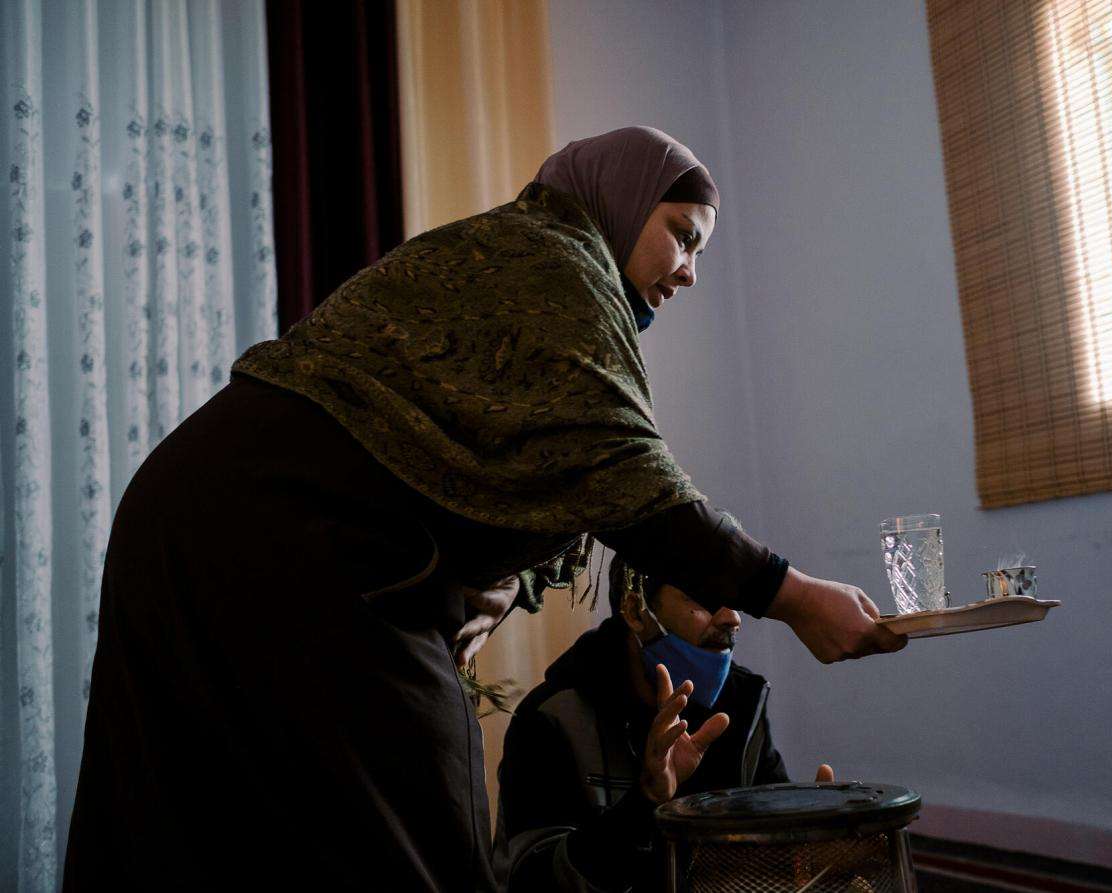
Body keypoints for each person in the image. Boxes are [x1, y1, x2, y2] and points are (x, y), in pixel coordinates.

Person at [63, 126, 906, 891]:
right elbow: (632, 481)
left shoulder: (514, 258)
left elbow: (480, 452)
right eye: (682, 236)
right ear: (616, 199)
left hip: (186, 514)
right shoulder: (561, 265)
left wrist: (483, 579)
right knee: (425, 838)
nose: (690, 270)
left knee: (195, 826)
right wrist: (794, 596)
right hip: (282, 528)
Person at [493, 554, 839, 892]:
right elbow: (530, 880)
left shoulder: (741, 704)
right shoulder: (554, 717)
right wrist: (645, 800)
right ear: (635, 611)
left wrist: (813, 847)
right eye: (706, 596)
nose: (732, 617)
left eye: (736, 598)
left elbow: (768, 856)